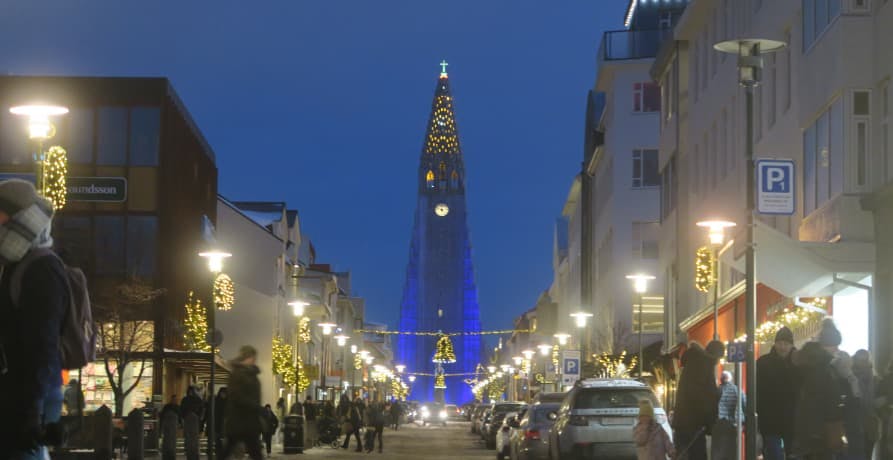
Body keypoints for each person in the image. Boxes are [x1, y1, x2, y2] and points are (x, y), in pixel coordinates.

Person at [0, 179, 70, 459]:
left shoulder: (41, 268)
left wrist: (31, 410)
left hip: (28, 393)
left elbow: (43, 344)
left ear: (18, 217)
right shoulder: (11, 263)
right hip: (17, 389)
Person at [792, 337, 845, 459]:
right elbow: (833, 402)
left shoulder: (800, 372)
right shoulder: (827, 372)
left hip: (804, 430)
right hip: (824, 430)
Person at [672, 340, 724, 460]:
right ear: (716, 355)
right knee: (697, 454)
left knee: (683, 453)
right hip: (695, 422)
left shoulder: (693, 362)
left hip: (683, 421)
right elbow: (704, 397)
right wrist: (710, 422)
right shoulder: (704, 364)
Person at [757, 326, 798, 460]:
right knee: (773, 455)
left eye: (786, 344)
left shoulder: (799, 364)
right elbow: (757, 392)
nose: (783, 347)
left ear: (791, 345)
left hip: (792, 421)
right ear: (775, 344)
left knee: (793, 454)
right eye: (780, 343)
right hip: (770, 421)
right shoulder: (763, 363)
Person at [220, 345, 264, 460]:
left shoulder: (249, 373)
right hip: (240, 420)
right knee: (254, 452)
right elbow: (236, 396)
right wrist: (255, 406)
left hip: (247, 421)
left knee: (253, 452)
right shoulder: (238, 374)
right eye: (253, 357)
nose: (255, 360)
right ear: (247, 357)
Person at [852, 349, 879, 459]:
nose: (863, 363)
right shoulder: (851, 378)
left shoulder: (876, 379)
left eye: (865, 360)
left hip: (870, 423)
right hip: (855, 423)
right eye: (860, 360)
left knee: (867, 454)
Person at [711, 371, 744, 460]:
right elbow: (745, 405)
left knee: (718, 450)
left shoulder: (717, 391)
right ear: (730, 379)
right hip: (734, 424)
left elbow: (712, 408)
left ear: (721, 380)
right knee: (732, 450)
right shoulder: (738, 390)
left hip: (719, 424)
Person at [160, 395, 179, 460]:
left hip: (173, 427)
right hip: (167, 427)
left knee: (172, 441)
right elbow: (162, 416)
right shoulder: (167, 407)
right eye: (173, 399)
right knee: (167, 441)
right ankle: (167, 456)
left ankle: (171, 455)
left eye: (175, 399)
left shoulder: (177, 407)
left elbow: (180, 416)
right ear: (171, 399)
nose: (174, 401)